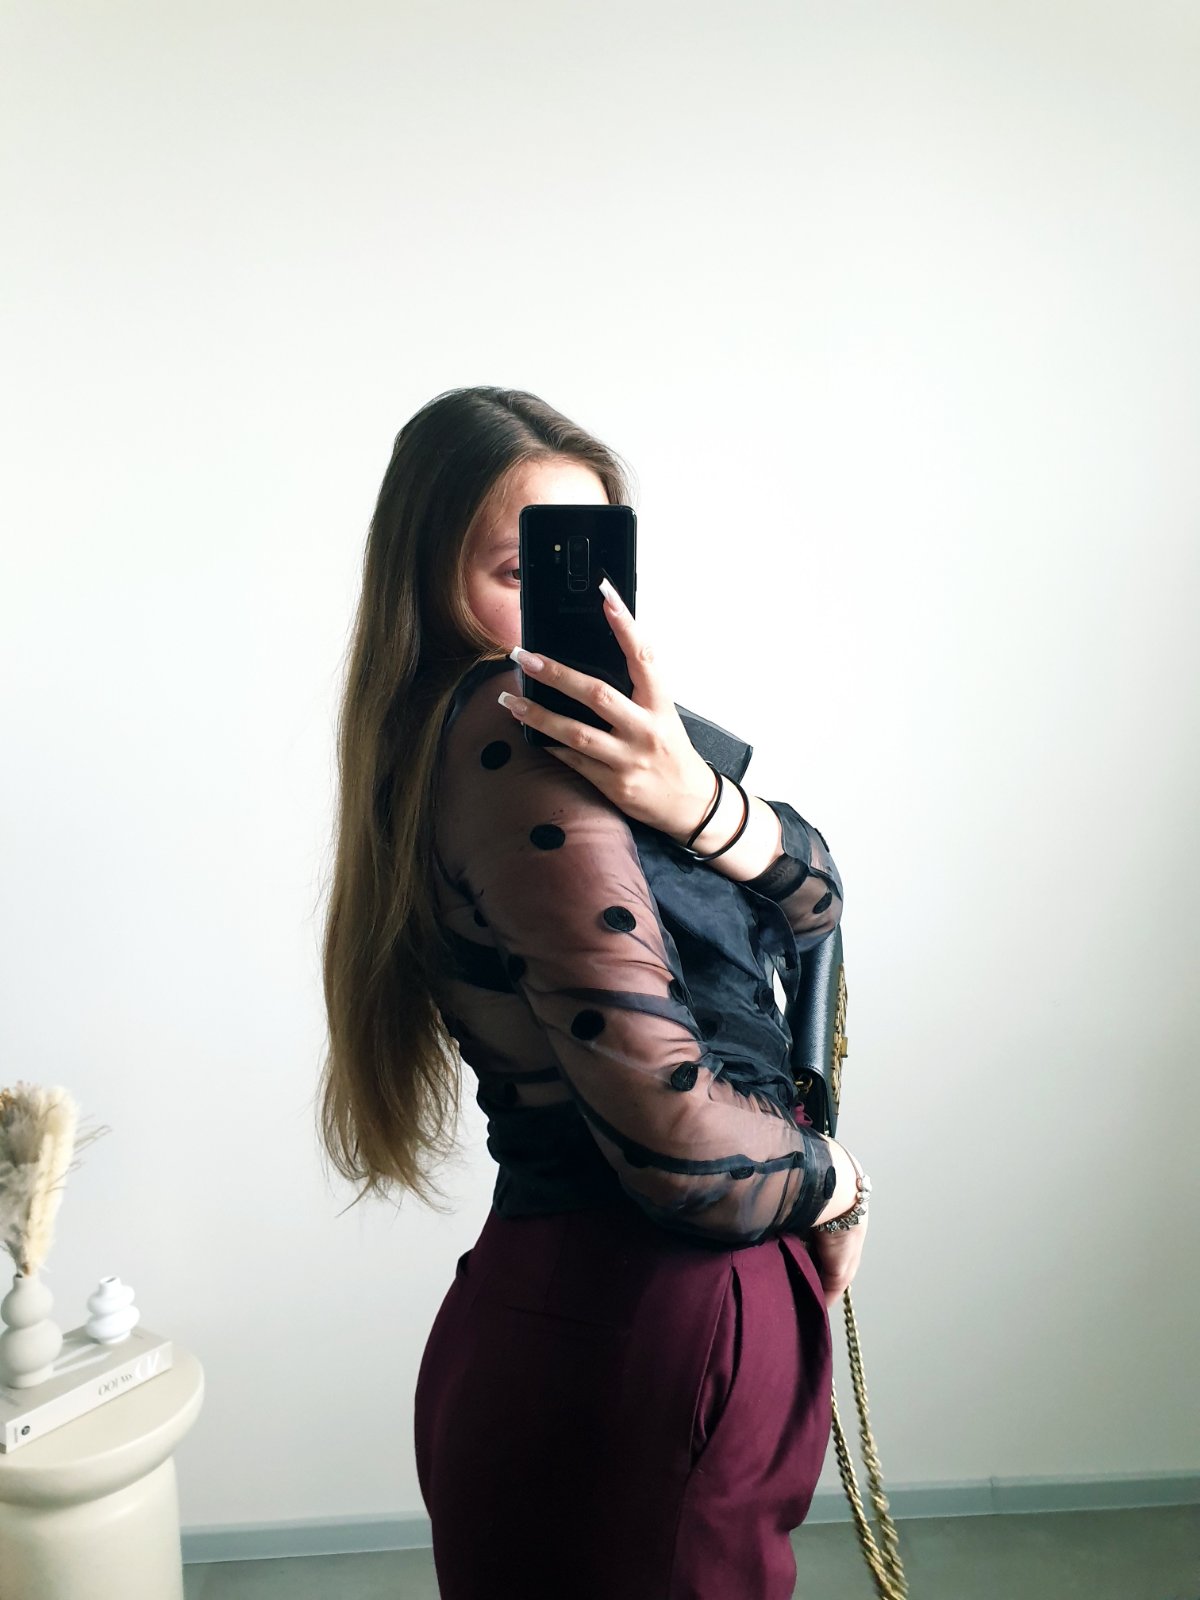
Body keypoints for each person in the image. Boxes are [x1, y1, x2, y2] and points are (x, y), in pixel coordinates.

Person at [317, 386, 869, 1600]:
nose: (571, 603)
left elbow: (818, 894)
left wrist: (695, 801)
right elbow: (679, 1146)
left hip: (575, 1314)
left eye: (589, 563)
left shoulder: (512, 745)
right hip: (653, 1319)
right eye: (522, 569)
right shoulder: (505, 732)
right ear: (429, 576)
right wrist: (836, 1178)